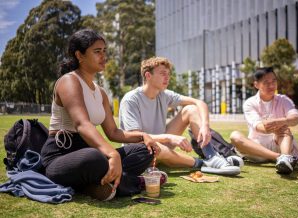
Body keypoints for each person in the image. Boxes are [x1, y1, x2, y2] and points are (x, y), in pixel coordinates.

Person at [41, 29, 163, 201]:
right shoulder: (69, 81)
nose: (103, 56)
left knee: (145, 150)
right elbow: (82, 124)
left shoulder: (101, 93)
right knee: (94, 157)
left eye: (104, 51)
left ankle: (97, 185)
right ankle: (134, 182)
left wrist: (143, 136)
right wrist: (112, 155)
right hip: (61, 155)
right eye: (97, 51)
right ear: (79, 55)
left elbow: (113, 133)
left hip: (91, 150)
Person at [119, 56, 241, 175]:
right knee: (159, 148)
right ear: (148, 75)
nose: (167, 77)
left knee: (190, 109)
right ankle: (202, 163)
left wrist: (205, 126)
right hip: (143, 151)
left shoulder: (164, 94)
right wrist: (170, 138)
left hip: (162, 145)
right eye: (162, 73)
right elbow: (136, 137)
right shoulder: (131, 100)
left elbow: (199, 103)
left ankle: (211, 156)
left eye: (168, 74)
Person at [230, 67, 298, 175]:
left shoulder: (284, 99)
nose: (271, 85)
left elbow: (296, 118)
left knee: (284, 126)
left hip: (281, 144)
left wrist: (281, 121)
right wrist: (277, 126)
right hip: (258, 149)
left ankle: (285, 157)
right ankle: (280, 158)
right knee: (235, 136)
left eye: (274, 81)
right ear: (256, 84)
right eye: (266, 82)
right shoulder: (250, 103)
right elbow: (259, 127)